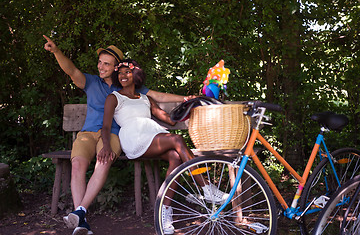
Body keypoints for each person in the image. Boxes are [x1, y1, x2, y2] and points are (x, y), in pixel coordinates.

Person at [43, 35, 196, 235]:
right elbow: (71, 70)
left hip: (113, 136)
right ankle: (81, 219)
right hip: (88, 134)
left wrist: (184, 98)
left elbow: (157, 96)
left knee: (103, 160)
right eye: (100, 62)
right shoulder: (90, 81)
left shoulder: (125, 85)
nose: (101, 66)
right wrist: (56, 51)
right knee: (78, 164)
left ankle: (80, 215)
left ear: (116, 67)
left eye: (106, 63)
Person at [101, 59, 229, 235]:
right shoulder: (114, 97)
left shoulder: (146, 98)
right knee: (176, 140)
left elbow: (169, 119)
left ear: (135, 74)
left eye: (127, 72)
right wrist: (106, 146)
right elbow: (106, 126)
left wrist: (191, 104)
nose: (123, 75)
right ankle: (206, 188)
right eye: (120, 72)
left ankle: (164, 212)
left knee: (175, 157)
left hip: (151, 134)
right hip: (133, 136)